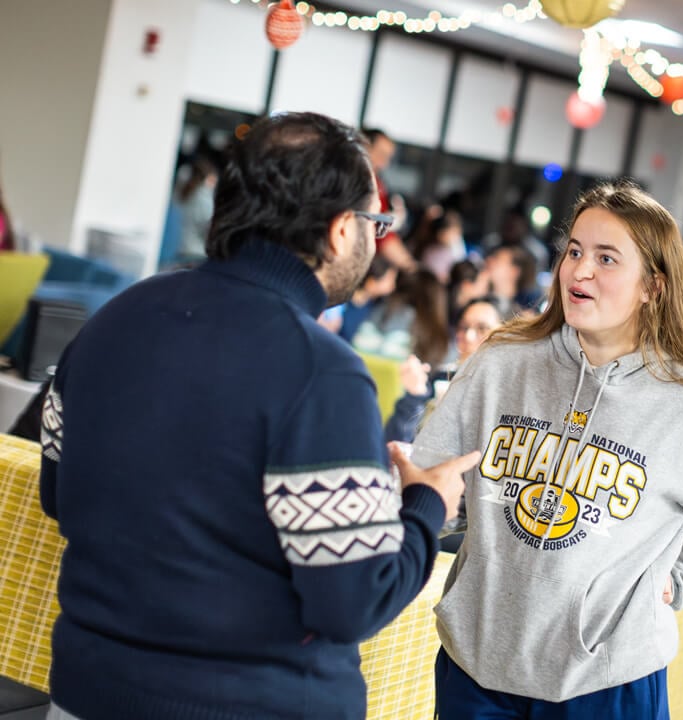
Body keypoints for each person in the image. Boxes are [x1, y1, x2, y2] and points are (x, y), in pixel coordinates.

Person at [37, 112, 475, 719]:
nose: (377, 241)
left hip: (85, 692)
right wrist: (427, 503)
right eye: (376, 224)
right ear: (341, 230)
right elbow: (354, 601)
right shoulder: (321, 372)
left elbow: (60, 495)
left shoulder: (110, 321)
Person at [410, 182, 683, 719]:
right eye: (574, 251)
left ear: (653, 287)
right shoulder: (501, 363)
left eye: (606, 258)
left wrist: (678, 582)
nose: (579, 271)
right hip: (479, 668)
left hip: (609, 682)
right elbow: (431, 474)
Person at [384, 297, 504, 444]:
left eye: (482, 328)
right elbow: (396, 442)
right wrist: (414, 397)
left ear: (505, 334)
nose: (468, 336)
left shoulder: (506, 391)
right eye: (464, 327)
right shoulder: (441, 377)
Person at [362, 128, 414, 271]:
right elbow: (384, 237)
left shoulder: (377, 183)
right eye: (381, 155)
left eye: (388, 157)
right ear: (365, 148)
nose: (384, 164)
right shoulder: (363, 183)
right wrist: (411, 269)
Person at [485, 242, 541, 319]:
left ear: (514, 271)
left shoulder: (523, 316)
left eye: (497, 259)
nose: (489, 260)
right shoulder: (479, 301)